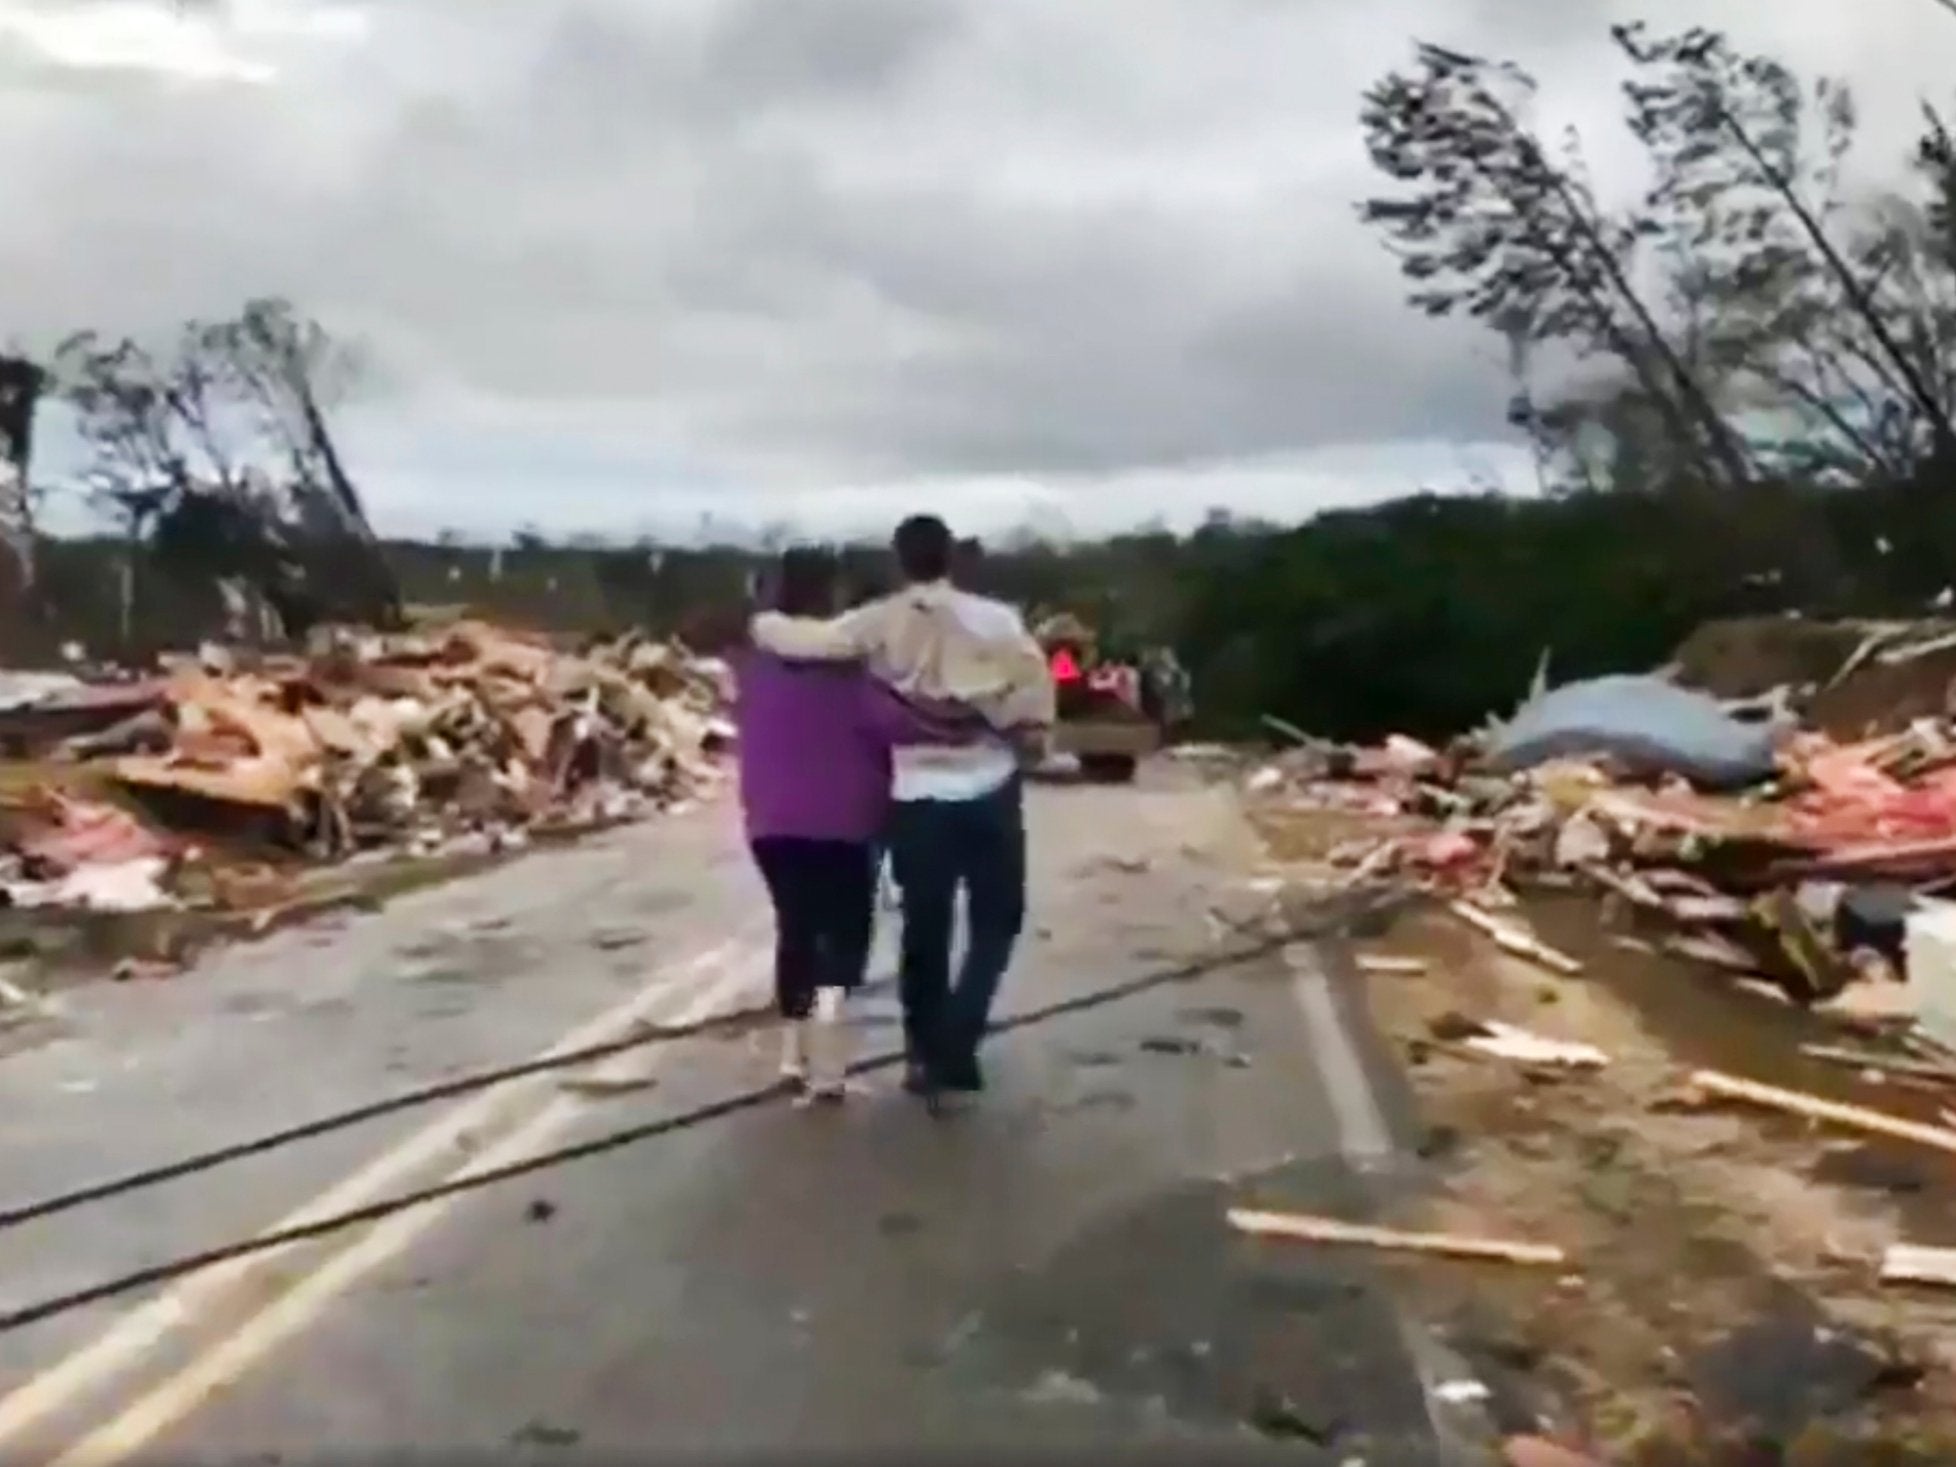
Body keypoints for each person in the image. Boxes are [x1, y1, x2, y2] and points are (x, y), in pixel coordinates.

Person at [749, 515, 1055, 1104]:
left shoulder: (877, 622)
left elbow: (809, 641)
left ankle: (921, 1054)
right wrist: (1030, 735)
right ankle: (957, 1036)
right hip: (990, 786)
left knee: (925, 929)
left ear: (898, 560)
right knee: (997, 921)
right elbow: (1033, 688)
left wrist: (762, 621)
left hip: (918, 795)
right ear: (953, 557)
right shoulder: (997, 620)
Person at [734, 546, 980, 1102]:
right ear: (834, 594)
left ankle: (792, 1059)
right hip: (845, 824)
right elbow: (905, 723)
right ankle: (828, 1069)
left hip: (771, 821)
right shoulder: (856, 670)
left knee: (794, 927)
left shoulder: (754, 665)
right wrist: (973, 726)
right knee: (842, 938)